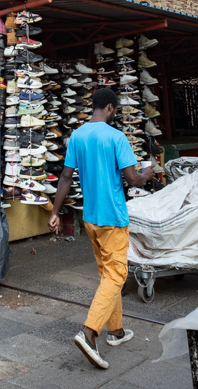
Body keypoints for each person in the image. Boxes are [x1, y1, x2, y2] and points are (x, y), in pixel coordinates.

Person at [49, 87, 153, 371]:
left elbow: (65, 178)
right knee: (117, 275)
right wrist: (148, 173)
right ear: (110, 108)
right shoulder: (117, 137)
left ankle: (116, 331)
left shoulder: (77, 136)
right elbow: (133, 180)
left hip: (91, 218)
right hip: (113, 217)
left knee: (109, 274)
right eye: (115, 110)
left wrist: (56, 212)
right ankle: (90, 332)